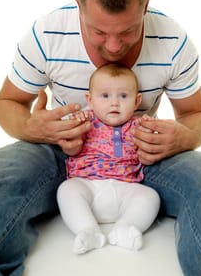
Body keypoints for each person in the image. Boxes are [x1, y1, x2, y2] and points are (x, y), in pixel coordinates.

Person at [0, 0, 201, 276]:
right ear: (79, 6)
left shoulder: (173, 40)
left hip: (143, 155)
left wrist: (183, 136)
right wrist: (35, 128)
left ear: (146, 5)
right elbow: (8, 103)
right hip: (59, 149)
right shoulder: (47, 34)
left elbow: (197, 115)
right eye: (98, 32)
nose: (114, 46)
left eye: (128, 31)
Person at [57, 63, 160, 254]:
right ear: (90, 99)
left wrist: (151, 136)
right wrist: (74, 132)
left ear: (137, 101)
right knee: (67, 189)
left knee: (150, 196)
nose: (114, 103)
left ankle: (126, 227)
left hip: (126, 189)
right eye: (105, 96)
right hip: (88, 186)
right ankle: (87, 229)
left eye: (123, 96)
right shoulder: (84, 121)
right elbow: (70, 151)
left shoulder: (139, 126)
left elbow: (147, 157)